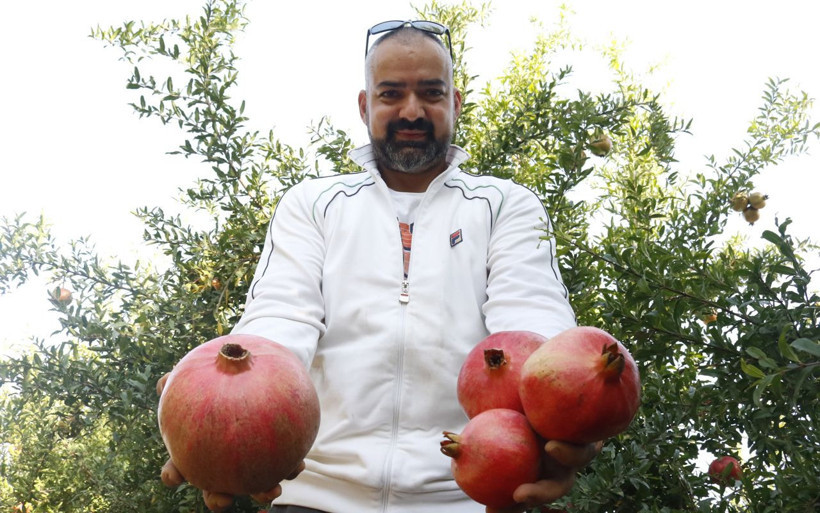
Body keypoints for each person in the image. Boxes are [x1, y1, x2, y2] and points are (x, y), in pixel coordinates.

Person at [163, 19, 600, 513]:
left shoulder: (504, 205)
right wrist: (218, 397)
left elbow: (531, 326)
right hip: (314, 497)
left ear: (455, 103)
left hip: (470, 496)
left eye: (430, 94)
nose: (411, 111)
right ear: (365, 105)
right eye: (391, 93)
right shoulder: (313, 204)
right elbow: (281, 321)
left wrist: (566, 409)